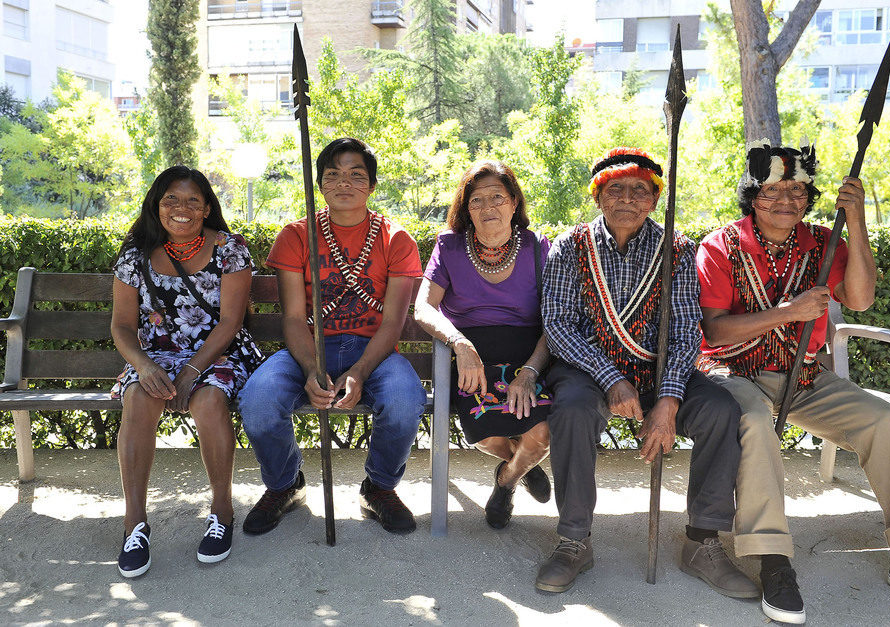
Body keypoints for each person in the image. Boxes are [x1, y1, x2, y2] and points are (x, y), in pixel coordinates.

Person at [696, 140, 890, 622]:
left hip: (804, 376)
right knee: (755, 423)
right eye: (772, 191)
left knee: (884, 421)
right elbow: (714, 329)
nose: (786, 200)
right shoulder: (721, 246)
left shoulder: (826, 243)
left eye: (798, 190)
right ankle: (773, 557)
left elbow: (861, 299)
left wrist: (858, 219)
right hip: (734, 373)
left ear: (810, 197)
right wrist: (786, 313)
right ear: (752, 196)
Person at [537, 147, 751, 596]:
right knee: (572, 410)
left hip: (661, 371)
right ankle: (573, 539)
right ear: (598, 198)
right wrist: (611, 379)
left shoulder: (677, 249)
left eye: (640, 191)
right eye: (615, 189)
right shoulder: (570, 248)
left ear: (654, 200)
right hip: (587, 370)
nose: (627, 199)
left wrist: (669, 400)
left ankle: (703, 541)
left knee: (719, 411)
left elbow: (683, 330)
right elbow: (557, 326)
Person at [237, 137, 426, 536]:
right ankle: (285, 485)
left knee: (405, 400)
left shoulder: (397, 240)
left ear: (372, 186)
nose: (344, 183)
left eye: (356, 175)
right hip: (307, 348)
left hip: (373, 350)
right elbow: (292, 317)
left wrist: (359, 371)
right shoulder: (295, 236)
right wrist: (310, 367)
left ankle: (379, 486)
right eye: (333, 175)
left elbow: (392, 322)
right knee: (257, 400)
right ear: (320, 184)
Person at [110, 165, 263, 577]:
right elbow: (122, 326)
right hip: (155, 356)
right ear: (156, 206)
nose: (182, 209)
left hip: (218, 353)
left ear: (207, 207)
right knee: (139, 400)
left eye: (193, 201)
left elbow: (231, 323)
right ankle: (134, 524)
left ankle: (221, 512)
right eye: (171, 200)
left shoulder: (230, 249)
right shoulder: (135, 253)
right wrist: (142, 365)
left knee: (210, 400)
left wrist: (193, 370)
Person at [414, 160, 552, 529]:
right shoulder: (450, 246)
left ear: (513, 203)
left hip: (529, 356)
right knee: (486, 436)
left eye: (497, 197)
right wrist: (459, 343)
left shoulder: (538, 247)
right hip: (473, 356)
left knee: (541, 434)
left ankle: (507, 481)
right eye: (477, 200)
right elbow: (423, 307)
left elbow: (555, 318)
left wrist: (531, 370)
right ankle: (521, 464)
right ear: (465, 208)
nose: (488, 208)